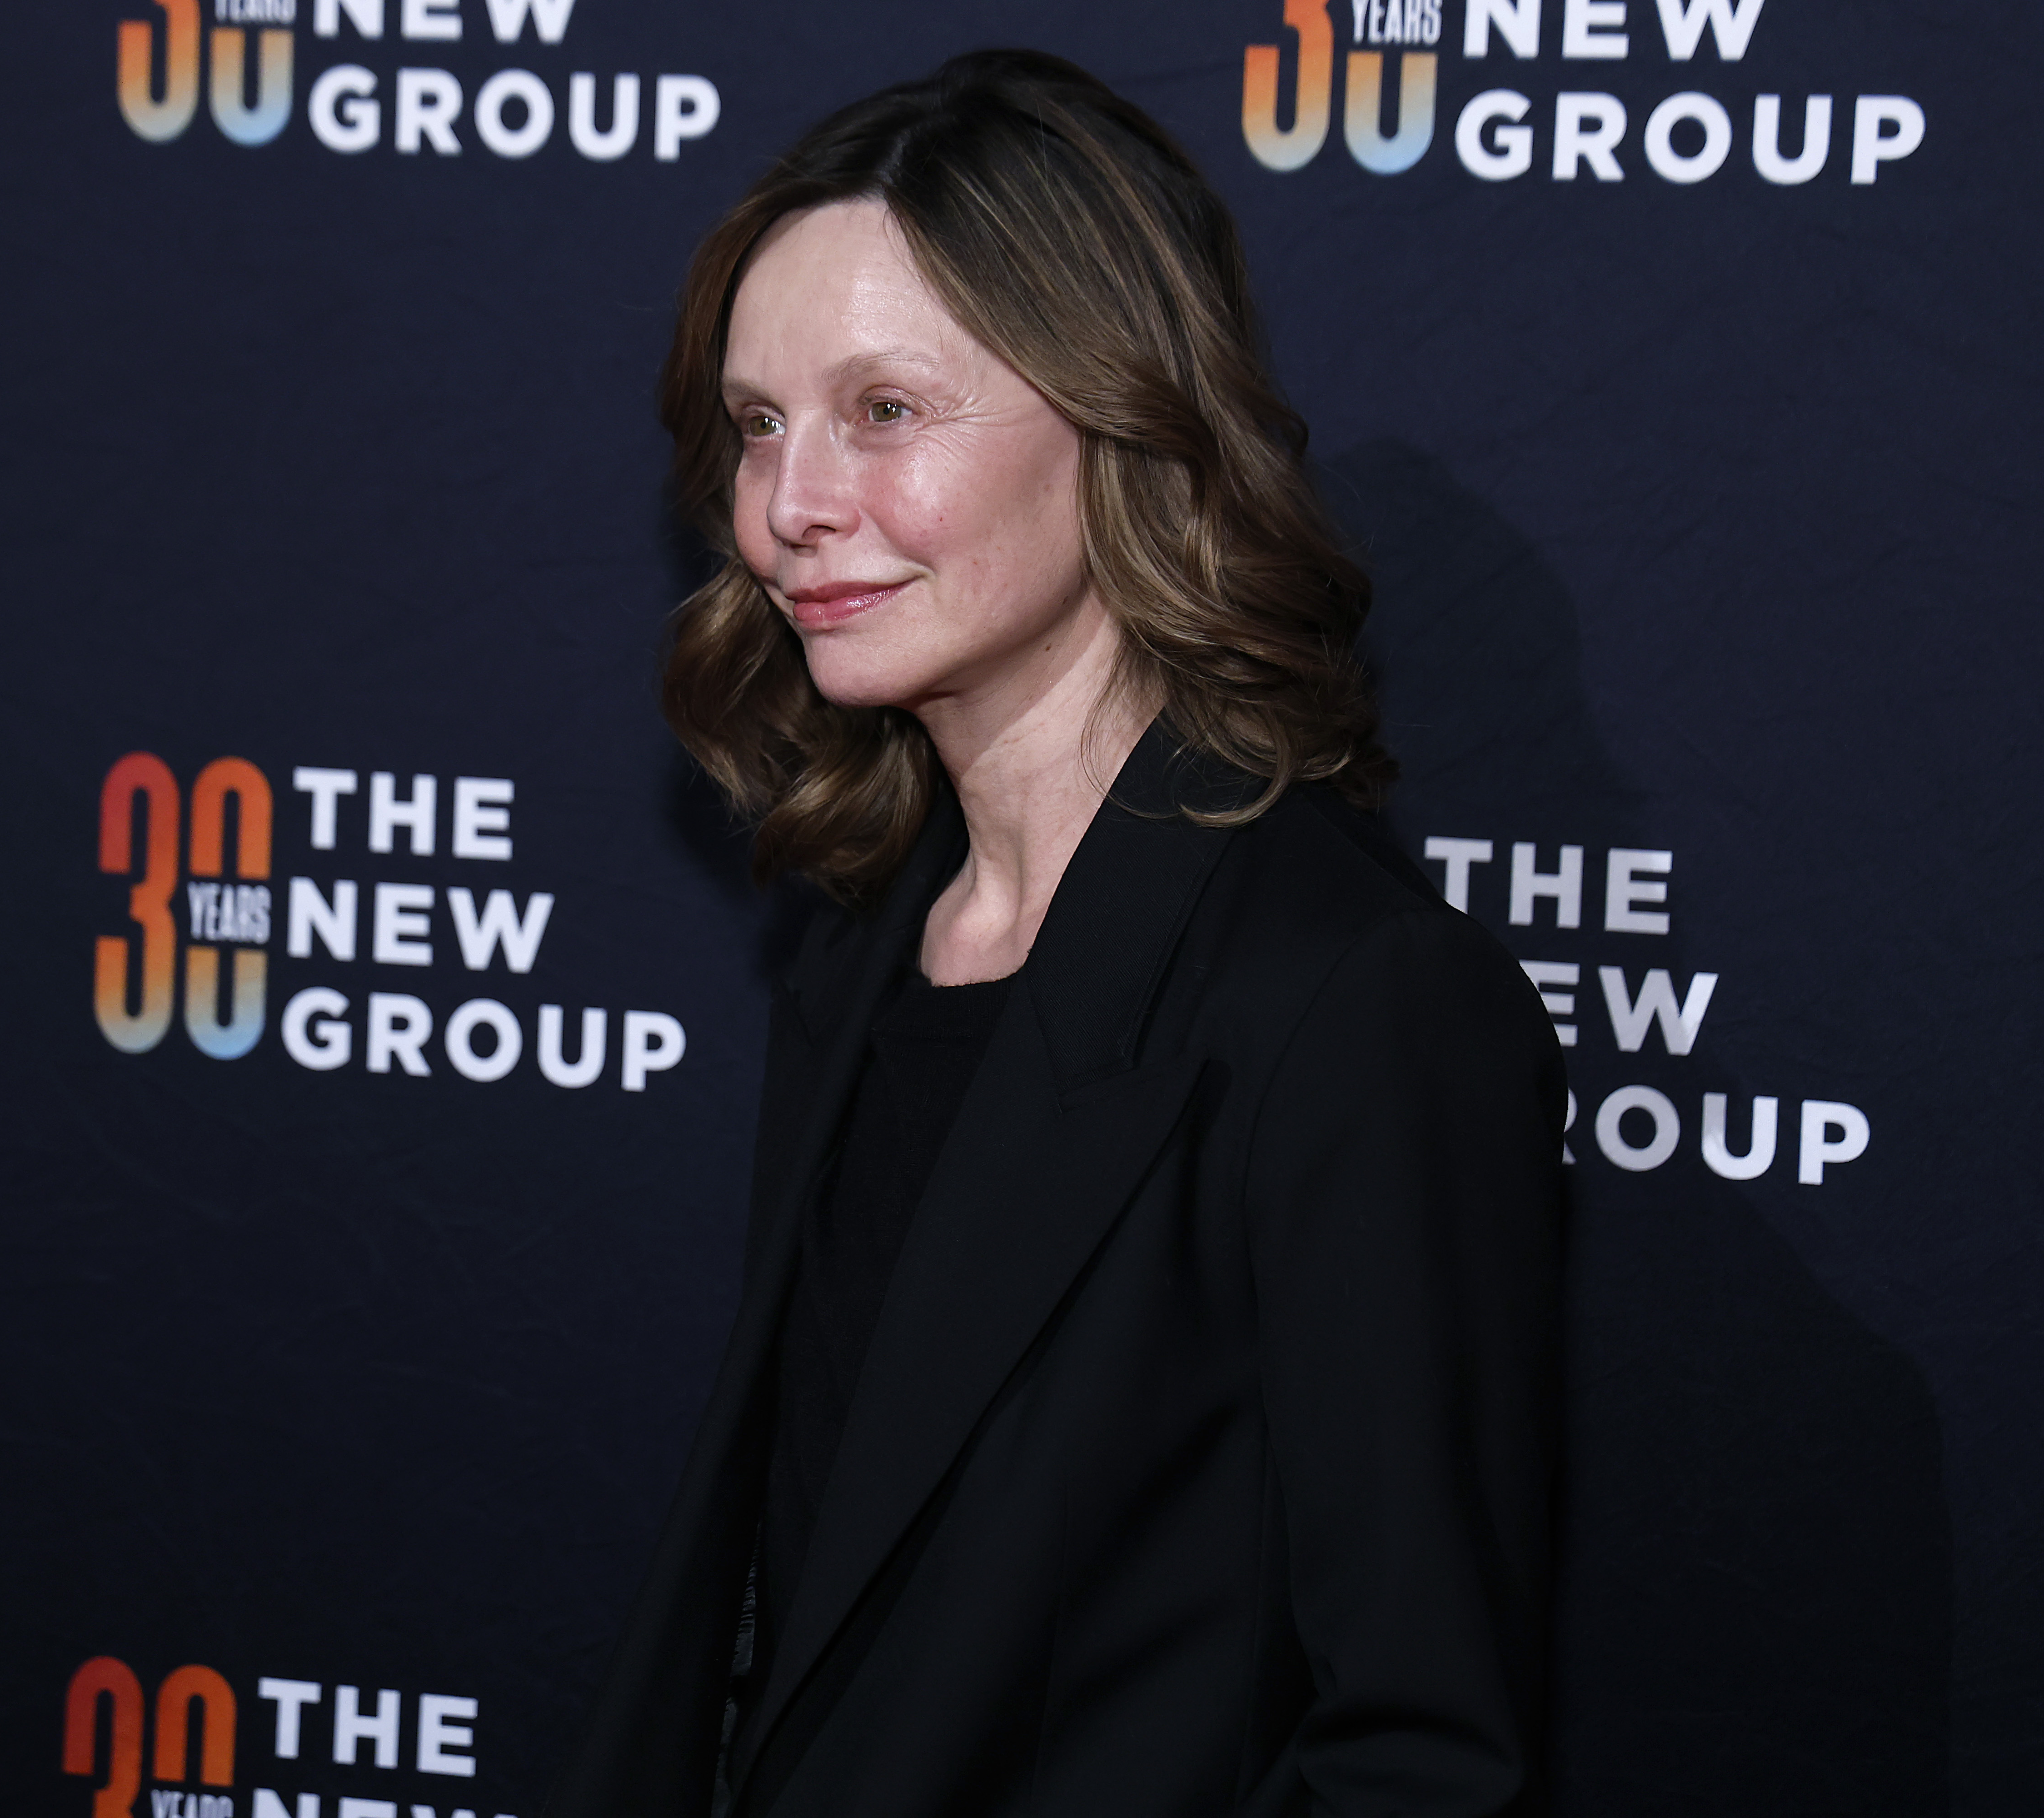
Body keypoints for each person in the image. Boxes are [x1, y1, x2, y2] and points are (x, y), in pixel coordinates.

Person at [553, 49, 1566, 1818]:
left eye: (885, 410)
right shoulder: (867, 943)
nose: (791, 507)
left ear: (1120, 414)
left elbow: (1418, 1756)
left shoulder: (1350, 1001)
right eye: (759, 422)